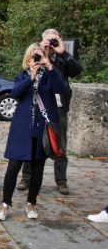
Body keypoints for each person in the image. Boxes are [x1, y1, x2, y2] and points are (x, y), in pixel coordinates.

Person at [0, 43, 66, 221]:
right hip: (22, 129)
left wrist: (49, 66)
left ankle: (31, 202)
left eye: (39, 56)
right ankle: (5, 204)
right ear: (27, 59)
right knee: (13, 167)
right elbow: (16, 93)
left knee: (37, 168)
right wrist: (31, 78)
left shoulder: (50, 77)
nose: (36, 59)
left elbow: (62, 89)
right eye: (33, 56)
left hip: (41, 129)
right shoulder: (22, 76)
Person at [17, 29, 82, 195]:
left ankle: (61, 181)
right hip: (38, 106)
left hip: (58, 107)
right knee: (32, 142)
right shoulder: (37, 54)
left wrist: (62, 53)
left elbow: (77, 71)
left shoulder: (62, 57)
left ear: (60, 39)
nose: (51, 44)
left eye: (54, 40)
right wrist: (42, 51)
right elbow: (25, 74)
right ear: (42, 40)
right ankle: (26, 177)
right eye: (48, 41)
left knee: (59, 143)